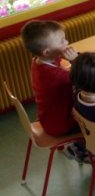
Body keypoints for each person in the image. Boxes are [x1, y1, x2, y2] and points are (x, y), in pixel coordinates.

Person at [21, 20, 86, 162]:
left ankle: (79, 146)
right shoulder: (55, 76)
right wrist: (75, 61)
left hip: (47, 118)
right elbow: (86, 81)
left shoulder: (37, 62)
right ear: (47, 51)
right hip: (62, 124)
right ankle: (83, 150)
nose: (67, 42)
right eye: (62, 41)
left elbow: (59, 64)